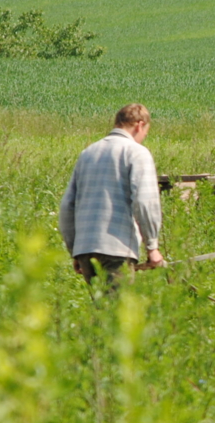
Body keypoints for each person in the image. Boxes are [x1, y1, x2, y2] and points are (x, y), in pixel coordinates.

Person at [59, 103, 164, 286]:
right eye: (145, 132)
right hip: (117, 248)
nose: (143, 137)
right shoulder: (137, 153)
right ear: (139, 125)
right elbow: (144, 202)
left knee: (102, 311)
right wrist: (152, 247)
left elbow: (67, 206)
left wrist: (76, 249)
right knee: (116, 312)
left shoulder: (88, 154)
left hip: (86, 249)